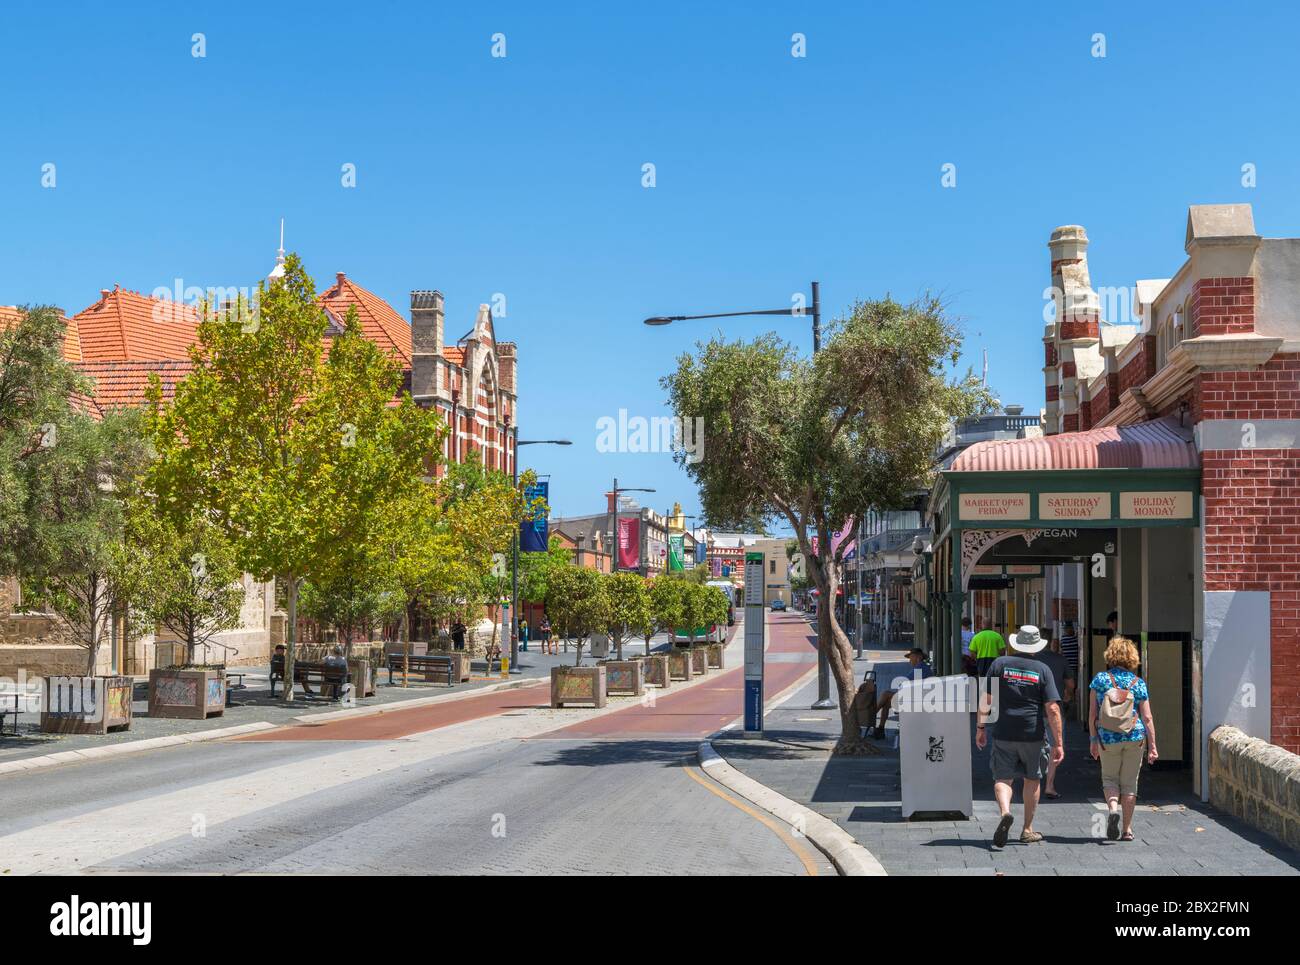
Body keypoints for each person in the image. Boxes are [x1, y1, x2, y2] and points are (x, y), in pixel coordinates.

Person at [977, 626, 1063, 847]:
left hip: (1004, 731)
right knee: (1032, 778)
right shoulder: (1043, 669)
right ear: (1036, 646)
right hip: (1032, 733)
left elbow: (985, 698)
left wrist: (980, 727)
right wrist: (1058, 742)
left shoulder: (999, 664)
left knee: (1002, 778)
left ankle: (1005, 812)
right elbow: (1052, 709)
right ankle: (1027, 829)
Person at [1088, 636, 1158, 842]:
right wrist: (1153, 746)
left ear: (1110, 656)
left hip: (1107, 738)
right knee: (1129, 783)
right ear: (1133, 658)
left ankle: (1112, 810)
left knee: (1109, 778)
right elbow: (1147, 717)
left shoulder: (1100, 680)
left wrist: (1093, 740)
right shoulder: (1138, 683)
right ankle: (1127, 830)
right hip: (1134, 736)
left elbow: (1092, 714)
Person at [1033, 637, 1072, 799]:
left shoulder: (1032, 661)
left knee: (1033, 747)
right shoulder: (1061, 660)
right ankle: (1049, 785)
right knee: (1055, 746)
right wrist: (1068, 695)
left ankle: (1033, 782)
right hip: (1055, 709)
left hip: (1034, 710)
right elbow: (1070, 683)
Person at [872, 648, 933, 739]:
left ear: (918, 657)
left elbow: (914, 686)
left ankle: (870, 716)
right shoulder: (920, 667)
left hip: (914, 700)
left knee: (885, 694)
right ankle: (880, 729)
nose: (909, 660)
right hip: (914, 698)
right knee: (886, 704)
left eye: (911, 657)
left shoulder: (920, 668)